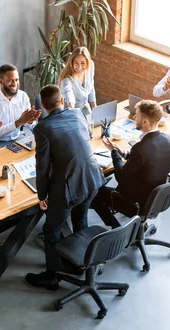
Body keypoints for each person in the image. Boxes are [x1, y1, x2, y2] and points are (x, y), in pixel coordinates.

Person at [24, 84, 106, 290]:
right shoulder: (78, 113)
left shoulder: (42, 128)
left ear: (42, 105)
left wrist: (42, 195)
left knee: (51, 230)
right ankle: (84, 264)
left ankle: (52, 276)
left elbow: (42, 167)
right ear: (62, 101)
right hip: (93, 179)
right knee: (80, 220)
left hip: (70, 187)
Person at [90, 100, 170, 228]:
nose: (134, 117)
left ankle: (117, 228)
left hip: (135, 201)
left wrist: (114, 153)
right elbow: (147, 160)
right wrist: (123, 153)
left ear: (145, 121)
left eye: (137, 115)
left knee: (95, 193)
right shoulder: (167, 139)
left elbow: (121, 177)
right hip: (154, 199)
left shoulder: (140, 148)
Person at [0, 64, 41, 151]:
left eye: (17, 80)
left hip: (18, 138)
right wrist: (18, 122)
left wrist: (30, 121)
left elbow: (27, 124)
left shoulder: (23, 96)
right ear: (0, 81)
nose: (14, 84)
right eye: (10, 80)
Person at [59, 46, 97, 112]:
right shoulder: (66, 79)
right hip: (72, 111)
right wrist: (71, 107)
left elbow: (91, 87)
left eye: (82, 63)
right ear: (72, 63)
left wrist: (95, 109)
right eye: (76, 63)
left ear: (87, 62)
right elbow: (69, 96)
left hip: (85, 107)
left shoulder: (90, 66)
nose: (79, 67)